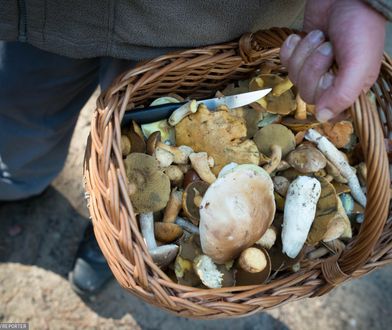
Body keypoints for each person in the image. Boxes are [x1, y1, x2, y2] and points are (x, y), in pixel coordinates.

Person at [0, 0, 390, 296]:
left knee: (132, 158)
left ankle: (120, 239)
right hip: (48, 15)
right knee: (23, 110)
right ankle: (15, 180)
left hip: (197, 24)